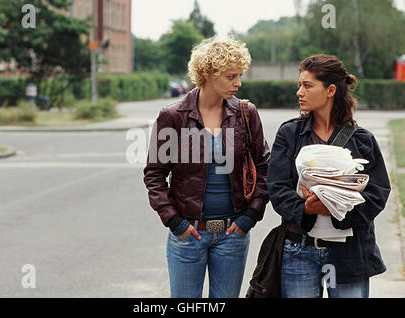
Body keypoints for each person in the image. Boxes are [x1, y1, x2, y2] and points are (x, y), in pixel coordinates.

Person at [143, 36, 270, 298]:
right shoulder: (174, 116)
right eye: (231, 76)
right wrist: (174, 221)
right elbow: (155, 174)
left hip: (233, 233)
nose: (239, 83)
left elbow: (265, 167)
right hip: (187, 235)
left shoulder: (246, 113)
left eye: (239, 75)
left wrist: (250, 216)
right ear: (209, 74)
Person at [267, 54, 391, 298]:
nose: (299, 92)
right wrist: (307, 209)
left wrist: (336, 208)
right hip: (298, 250)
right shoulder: (288, 134)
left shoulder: (363, 140)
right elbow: (276, 187)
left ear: (330, 90)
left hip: (350, 253)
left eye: (307, 85)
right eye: (299, 85)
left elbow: (378, 193)